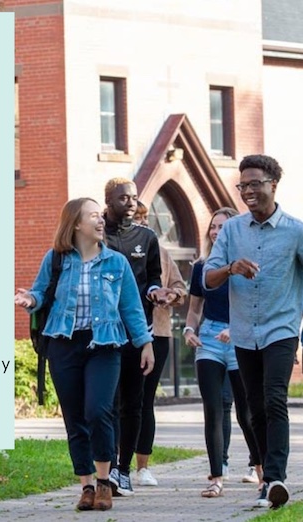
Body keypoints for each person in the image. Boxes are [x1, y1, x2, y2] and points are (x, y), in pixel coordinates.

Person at [15, 197, 154, 512]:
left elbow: (131, 307)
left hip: (104, 346)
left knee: (98, 411)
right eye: (94, 215)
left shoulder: (116, 262)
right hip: (63, 344)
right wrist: (30, 299)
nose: (101, 220)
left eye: (100, 215)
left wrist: (144, 343)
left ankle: (106, 482)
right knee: (74, 417)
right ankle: (87, 486)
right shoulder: (56, 259)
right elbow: (40, 291)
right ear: (76, 223)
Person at [204, 155, 303, 509]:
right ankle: (266, 479)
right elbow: (207, 277)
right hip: (244, 331)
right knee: (254, 408)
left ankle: (276, 478)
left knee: (274, 397)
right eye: (242, 185)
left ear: (273, 184)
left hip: (281, 328)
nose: (247, 191)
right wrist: (231, 267)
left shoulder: (296, 230)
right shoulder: (231, 230)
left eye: (254, 183)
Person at [103, 179, 176, 496]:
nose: (130, 203)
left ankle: (123, 470)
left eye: (134, 197)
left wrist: (156, 292)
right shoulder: (97, 233)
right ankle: (104, 467)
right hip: (103, 331)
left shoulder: (147, 237)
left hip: (138, 331)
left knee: (133, 403)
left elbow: (152, 278)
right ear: (108, 201)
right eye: (123, 198)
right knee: (107, 403)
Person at [184, 207, 261, 499]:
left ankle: (262, 471)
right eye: (213, 227)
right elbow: (194, 310)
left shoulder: (246, 264)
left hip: (241, 339)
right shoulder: (202, 267)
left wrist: (238, 327)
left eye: (223, 227)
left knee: (246, 411)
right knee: (213, 410)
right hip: (209, 341)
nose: (216, 232)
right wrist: (189, 331)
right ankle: (216, 476)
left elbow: (256, 303)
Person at [132, 201, 187, 486]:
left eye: (144, 218)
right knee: (120, 401)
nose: (141, 223)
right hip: (124, 334)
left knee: (144, 398)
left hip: (158, 333)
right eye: (136, 218)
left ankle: (143, 466)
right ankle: (116, 464)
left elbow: (181, 287)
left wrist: (171, 296)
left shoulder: (161, 254)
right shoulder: (114, 251)